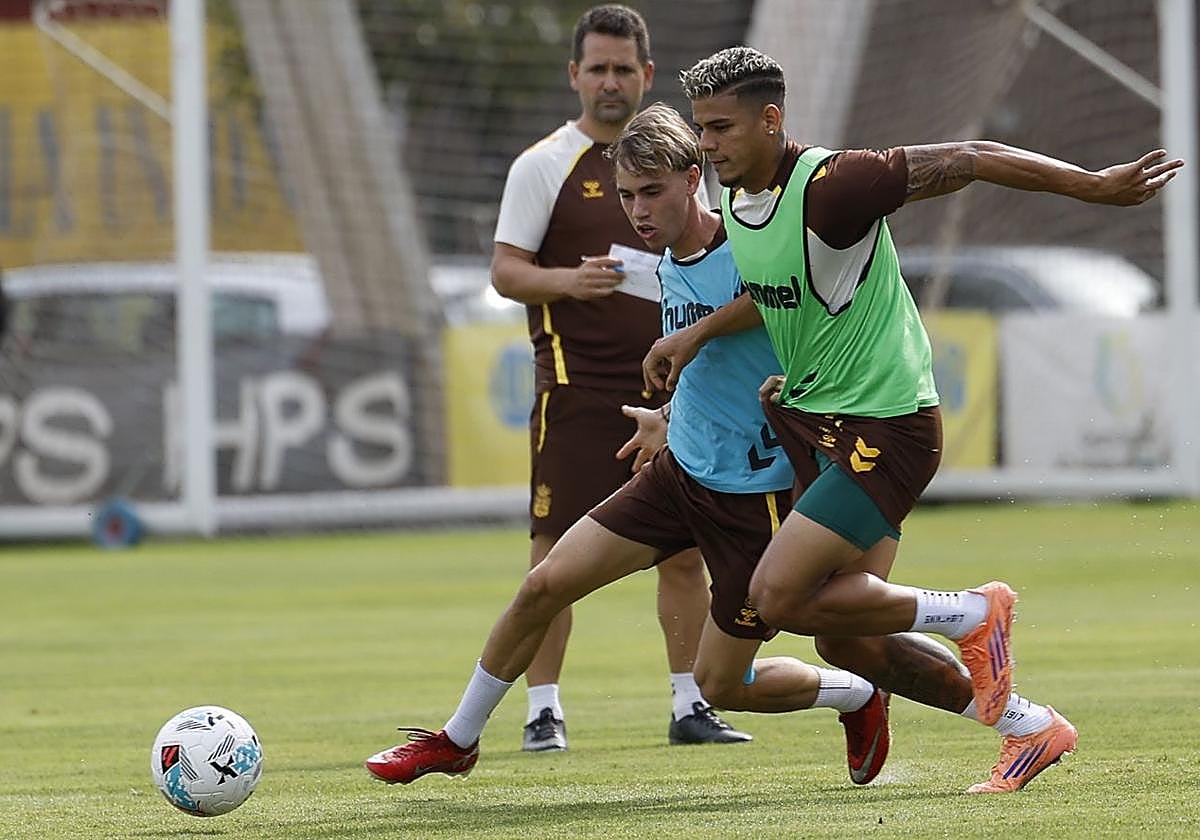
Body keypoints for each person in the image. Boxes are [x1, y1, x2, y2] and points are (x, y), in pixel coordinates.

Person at [643, 46, 1183, 794]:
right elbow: (784, 293)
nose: (707, 145)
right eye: (702, 129)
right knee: (846, 639)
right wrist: (722, 349)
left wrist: (1091, 185)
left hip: (887, 427)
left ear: (772, 120)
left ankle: (973, 612)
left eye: (721, 129)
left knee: (774, 597)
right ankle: (1029, 728)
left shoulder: (834, 185)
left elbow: (970, 156)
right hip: (825, 426)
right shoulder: (739, 201)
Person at [364, 102, 893, 787]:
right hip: (677, 478)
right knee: (543, 584)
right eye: (626, 196)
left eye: (652, 192)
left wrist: (695, 337)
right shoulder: (667, 261)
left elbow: (780, 299)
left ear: (691, 178)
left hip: (751, 497)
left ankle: (858, 693)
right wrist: (669, 416)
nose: (638, 211)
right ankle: (456, 740)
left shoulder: (747, 239)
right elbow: (715, 371)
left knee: (726, 684)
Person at [471, 5, 744, 751]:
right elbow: (504, 272)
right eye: (597, 68)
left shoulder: (681, 164)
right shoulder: (542, 165)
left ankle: (691, 703)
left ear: (647, 75)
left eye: (625, 68)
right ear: (575, 76)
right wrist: (571, 281)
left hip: (672, 388)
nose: (611, 81)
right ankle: (543, 710)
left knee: (685, 549)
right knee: (554, 552)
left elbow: (712, 260)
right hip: (577, 388)